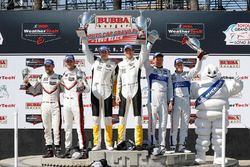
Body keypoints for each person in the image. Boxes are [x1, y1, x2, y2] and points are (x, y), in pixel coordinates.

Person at [191, 64, 243, 164]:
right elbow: (187, 92)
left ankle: (219, 156)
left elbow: (235, 89)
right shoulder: (197, 85)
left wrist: (238, 83)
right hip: (203, 116)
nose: (212, 74)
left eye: (214, 72)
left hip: (220, 116)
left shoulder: (224, 84)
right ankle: (200, 155)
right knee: (202, 136)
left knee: (219, 137)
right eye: (209, 72)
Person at [81, 38, 118, 151]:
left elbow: (116, 82)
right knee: (95, 119)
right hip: (95, 92)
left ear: (109, 52)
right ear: (99, 53)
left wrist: (114, 95)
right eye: (101, 51)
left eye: (105, 51)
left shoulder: (113, 65)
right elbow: (85, 49)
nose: (103, 53)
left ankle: (108, 143)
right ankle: (97, 143)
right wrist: (83, 37)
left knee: (107, 119)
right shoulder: (94, 61)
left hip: (107, 93)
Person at [25, 59, 63, 158]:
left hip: (55, 105)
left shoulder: (59, 77)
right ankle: (49, 150)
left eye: (49, 66)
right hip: (45, 105)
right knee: (46, 128)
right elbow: (34, 91)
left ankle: (58, 150)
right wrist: (27, 84)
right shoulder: (41, 77)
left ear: (53, 66)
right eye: (45, 66)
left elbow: (66, 90)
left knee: (56, 128)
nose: (47, 68)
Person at [170, 50, 206, 153]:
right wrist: (170, 103)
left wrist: (199, 59)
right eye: (177, 64)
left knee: (184, 125)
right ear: (175, 66)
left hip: (186, 102)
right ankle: (172, 147)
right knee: (174, 126)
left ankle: (182, 147)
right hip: (176, 102)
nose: (179, 66)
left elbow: (197, 69)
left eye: (181, 64)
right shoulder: (171, 77)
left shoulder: (187, 75)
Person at [116, 43, 148, 150]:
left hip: (135, 90)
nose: (128, 52)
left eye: (130, 50)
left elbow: (144, 53)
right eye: (126, 50)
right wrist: (117, 95)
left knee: (138, 119)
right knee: (121, 119)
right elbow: (119, 81)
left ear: (133, 51)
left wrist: (145, 42)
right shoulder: (120, 64)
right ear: (124, 52)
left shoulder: (137, 62)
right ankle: (121, 142)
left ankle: (138, 143)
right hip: (124, 92)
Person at [60, 55, 90, 159]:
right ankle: (68, 149)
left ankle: (83, 149)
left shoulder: (80, 73)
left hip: (76, 103)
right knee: (67, 127)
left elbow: (87, 89)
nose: (69, 63)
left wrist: (82, 86)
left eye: (70, 61)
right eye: (67, 61)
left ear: (74, 61)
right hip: (66, 103)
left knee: (79, 127)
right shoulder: (64, 74)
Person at [145, 52, 173, 155]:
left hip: (164, 99)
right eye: (156, 58)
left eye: (160, 58)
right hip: (153, 99)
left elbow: (170, 87)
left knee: (163, 124)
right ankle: (152, 144)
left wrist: (170, 102)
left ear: (162, 60)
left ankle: (162, 146)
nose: (158, 60)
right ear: (153, 60)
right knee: (152, 124)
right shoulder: (149, 70)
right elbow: (144, 57)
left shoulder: (167, 72)